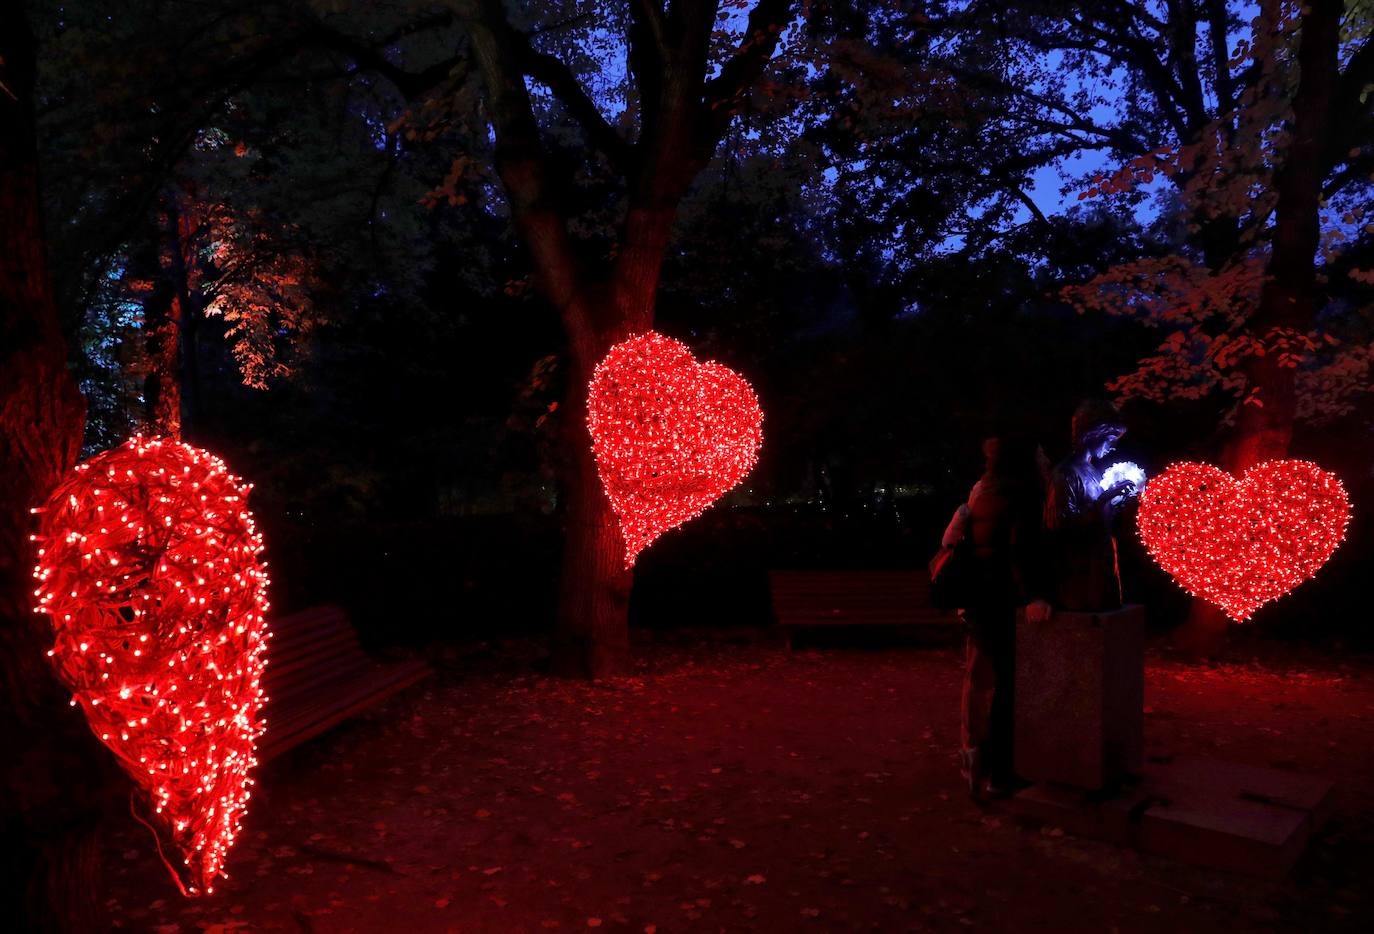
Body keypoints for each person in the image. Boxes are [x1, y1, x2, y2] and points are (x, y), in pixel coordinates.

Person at [950, 434, 1051, 801]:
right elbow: (1019, 549)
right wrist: (1033, 595)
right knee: (1009, 689)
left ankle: (982, 764)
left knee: (992, 684)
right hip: (1001, 603)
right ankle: (1001, 773)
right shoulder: (1021, 492)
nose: (1045, 456)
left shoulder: (985, 492)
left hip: (979, 601)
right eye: (1039, 451)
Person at [1044, 400, 1137, 612]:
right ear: (1093, 433)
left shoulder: (1092, 472)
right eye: (1110, 439)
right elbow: (1058, 525)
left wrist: (1117, 504)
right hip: (1080, 577)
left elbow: (1099, 519)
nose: (1113, 446)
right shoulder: (1066, 474)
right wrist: (1105, 500)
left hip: (1101, 570)